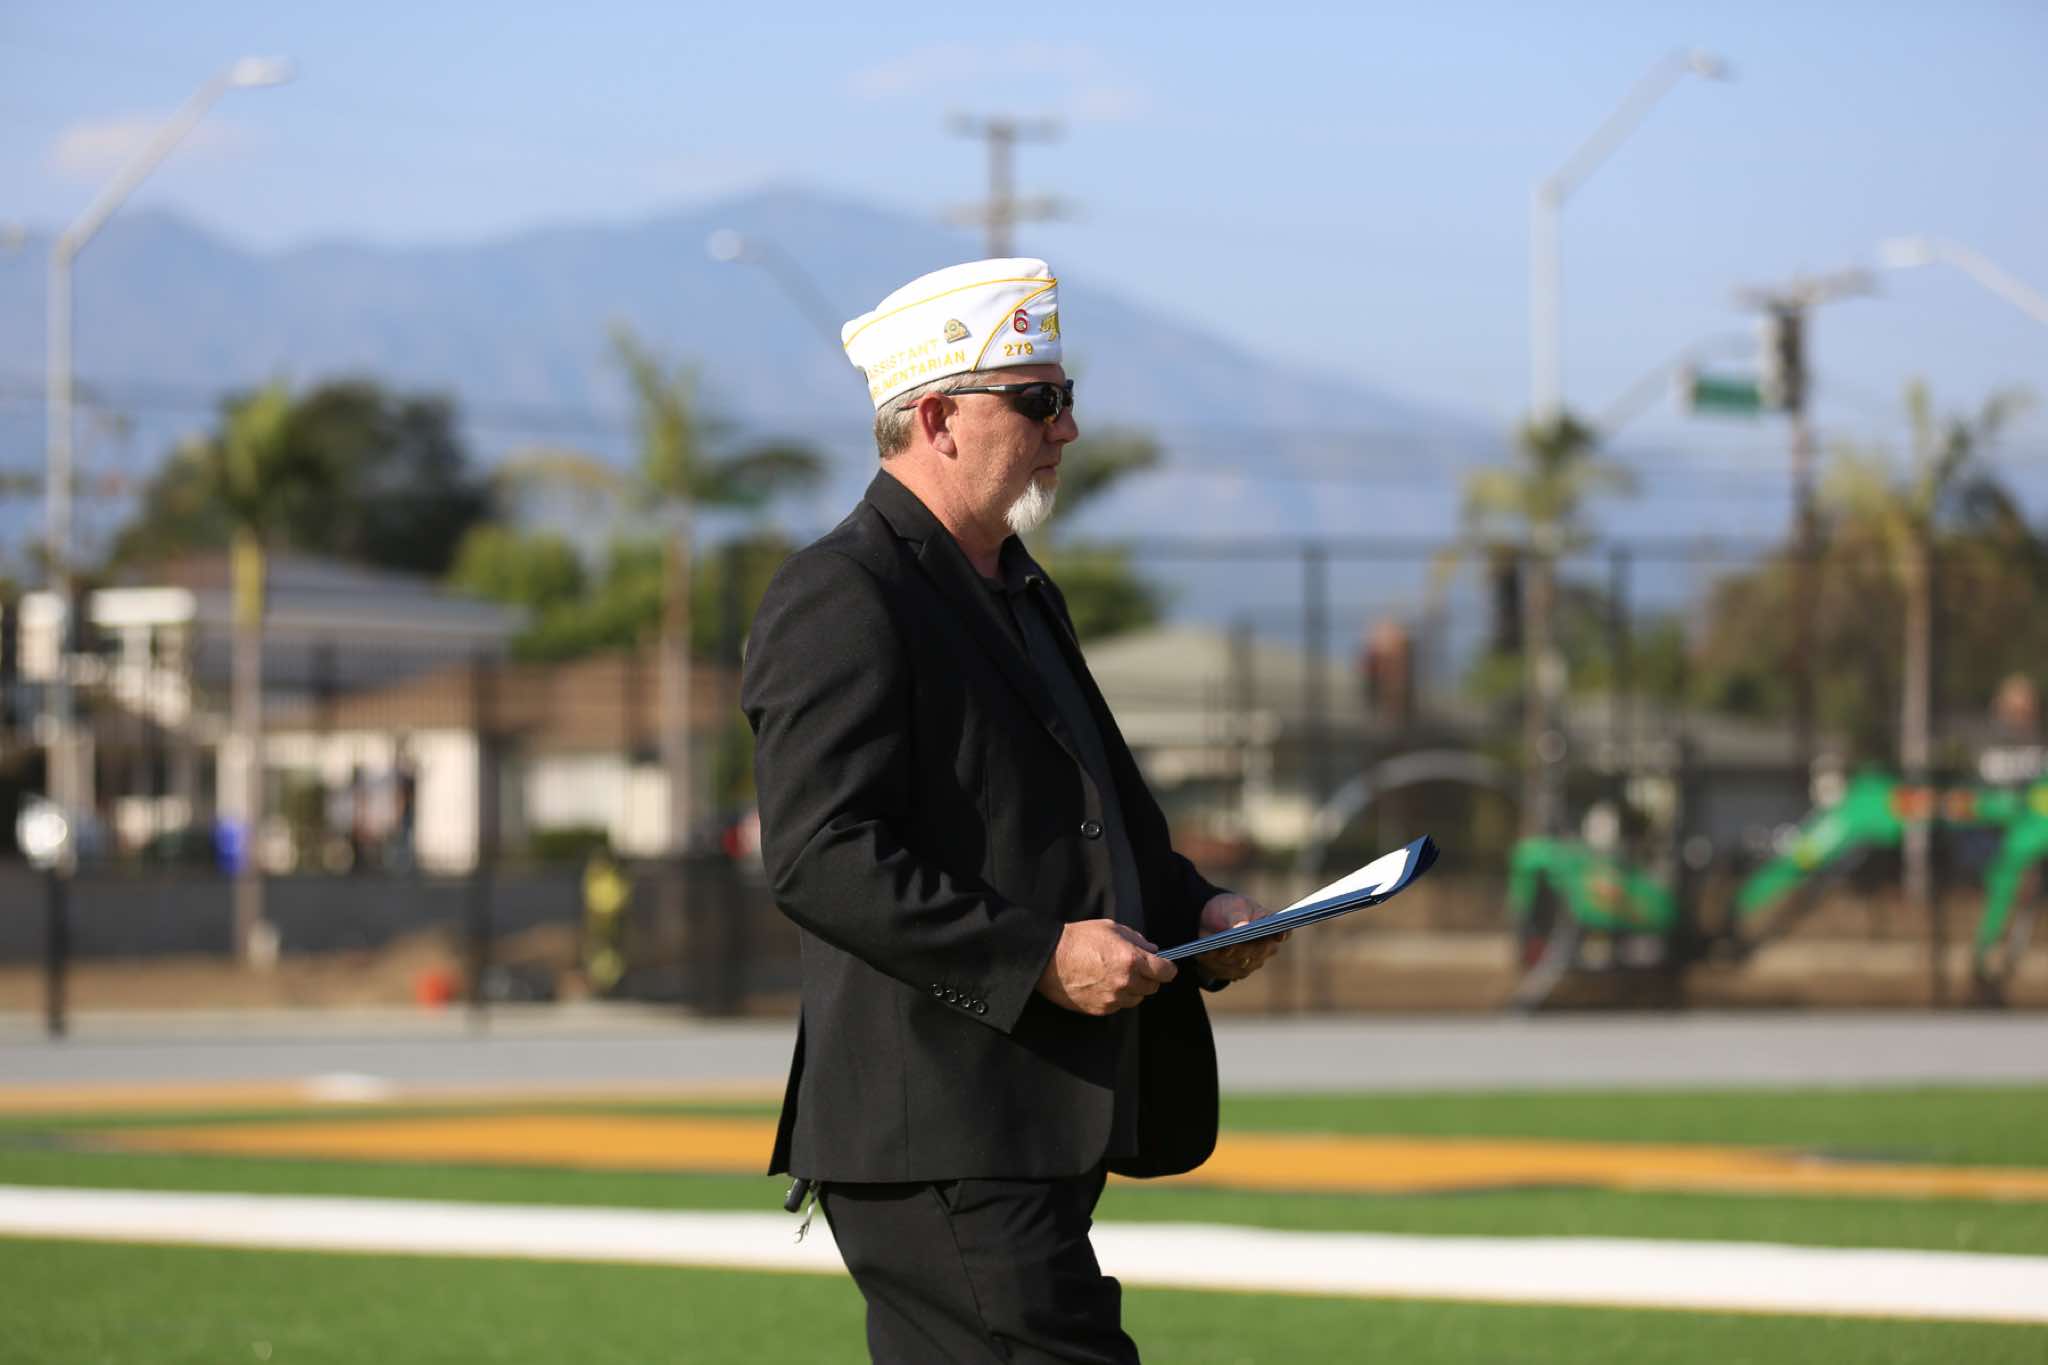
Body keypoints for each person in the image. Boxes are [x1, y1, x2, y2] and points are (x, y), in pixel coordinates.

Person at [741, 258, 1283, 1363]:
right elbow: (821, 854)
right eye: (1037, 401)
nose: (1066, 429)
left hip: (1025, 1121)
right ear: (937, 419)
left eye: (1065, 397)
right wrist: (1037, 957)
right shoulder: (842, 591)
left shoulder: (1020, 589)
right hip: (938, 1130)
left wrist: (1200, 908)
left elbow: (1096, 816)